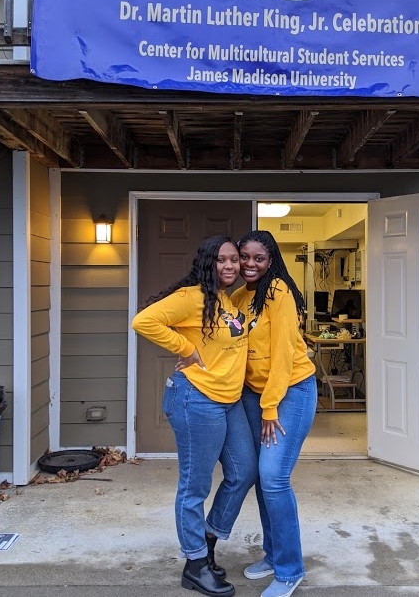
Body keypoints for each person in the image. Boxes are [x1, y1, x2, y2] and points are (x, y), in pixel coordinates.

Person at [131, 235, 257, 597]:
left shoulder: (228, 301)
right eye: (221, 260)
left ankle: (207, 539)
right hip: (196, 399)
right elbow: (144, 321)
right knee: (194, 486)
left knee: (243, 472)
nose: (230, 266)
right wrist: (186, 348)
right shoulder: (191, 297)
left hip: (228, 401)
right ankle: (195, 564)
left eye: (234, 260)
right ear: (207, 263)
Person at [231, 230, 317, 597]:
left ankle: (289, 568)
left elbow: (283, 354)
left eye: (258, 258)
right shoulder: (237, 297)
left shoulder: (278, 291)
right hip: (253, 395)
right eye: (244, 257)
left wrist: (270, 407)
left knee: (274, 477)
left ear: (271, 261)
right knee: (263, 482)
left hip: (290, 393)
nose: (250, 264)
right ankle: (273, 553)